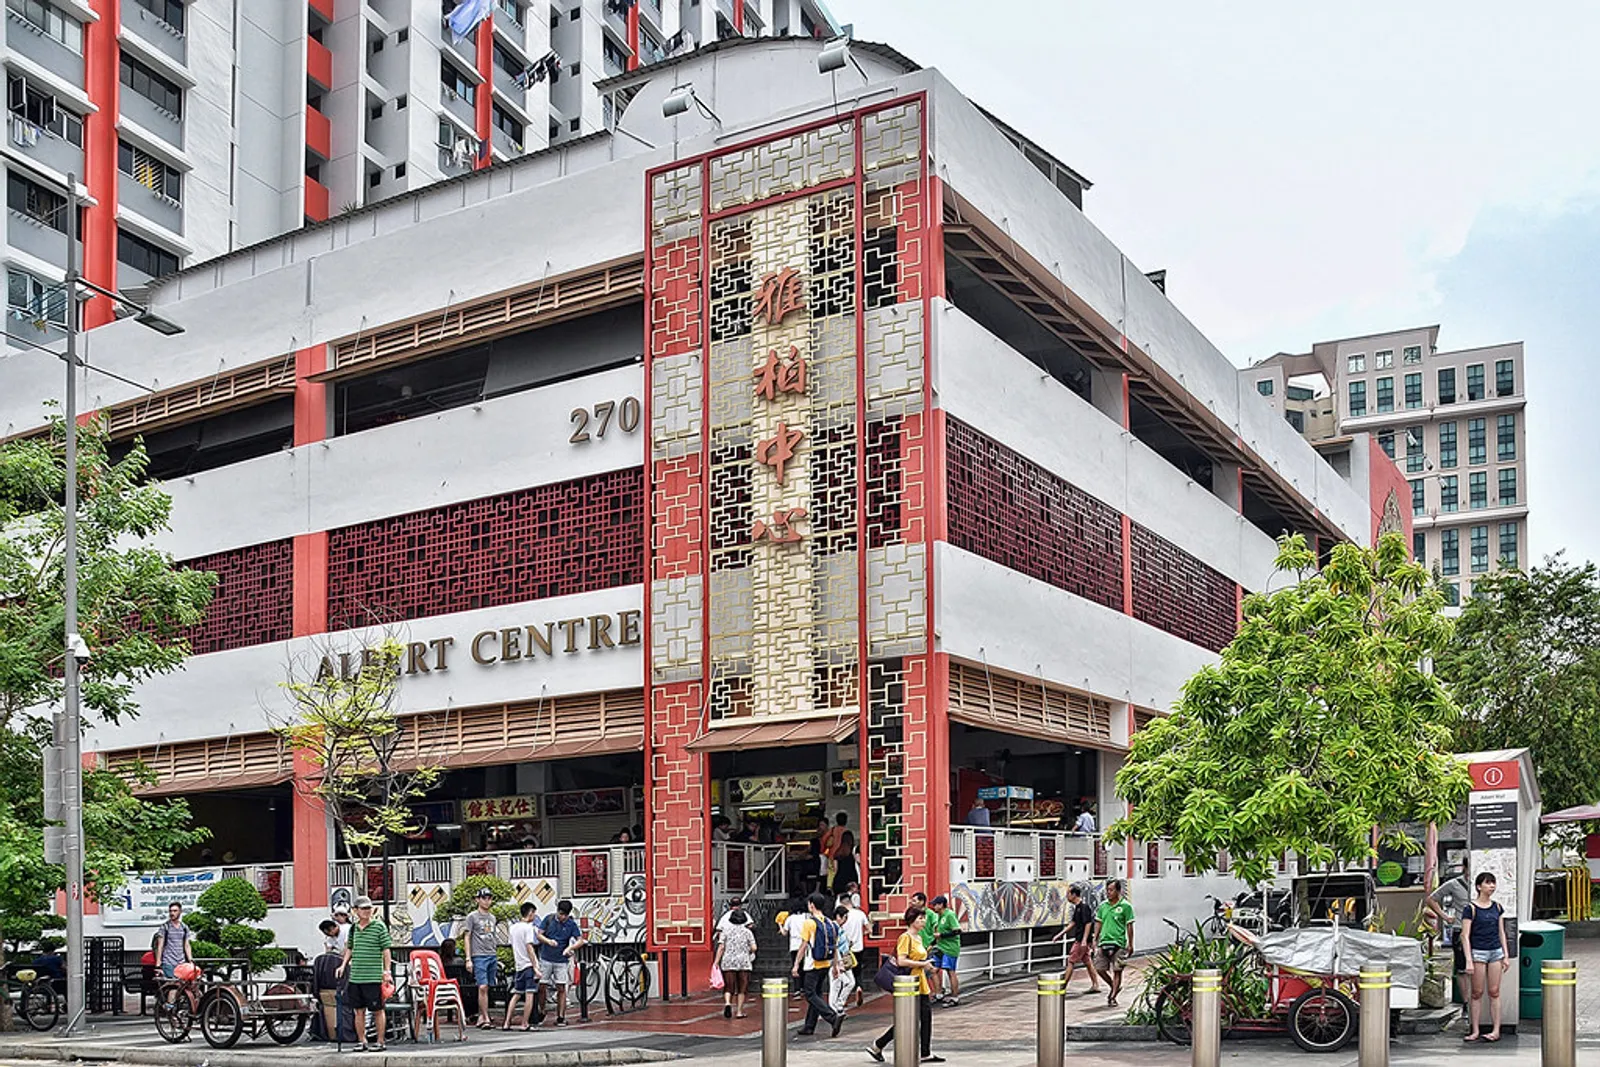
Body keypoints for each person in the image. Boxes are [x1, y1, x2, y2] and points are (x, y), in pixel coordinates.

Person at [866, 906, 940, 1063]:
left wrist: (927, 965)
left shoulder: (919, 938)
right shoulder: (905, 938)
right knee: (910, 1019)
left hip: (920, 983)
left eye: (923, 918)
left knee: (923, 1017)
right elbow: (902, 960)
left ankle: (924, 1051)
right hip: (909, 984)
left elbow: (917, 960)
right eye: (920, 918)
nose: (923, 921)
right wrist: (922, 964)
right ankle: (879, 1044)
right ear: (912, 920)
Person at [1460, 872, 1511, 1044]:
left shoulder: (1497, 907)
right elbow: (1464, 935)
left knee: (1494, 991)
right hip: (1478, 952)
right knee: (1476, 992)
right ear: (1478, 886)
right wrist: (1468, 959)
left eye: (1493, 883)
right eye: (1488, 883)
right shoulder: (1470, 908)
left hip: (1495, 951)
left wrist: (1506, 955)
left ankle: (1496, 1030)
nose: (1492, 886)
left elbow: (1501, 932)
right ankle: (1475, 1030)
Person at [338, 896, 392, 1052]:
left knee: (377, 1009)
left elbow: (386, 949)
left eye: (369, 908)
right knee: (358, 1011)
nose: (367, 911)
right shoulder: (353, 928)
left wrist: (386, 971)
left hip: (373, 976)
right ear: (356, 911)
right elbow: (350, 948)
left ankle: (380, 1041)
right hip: (356, 975)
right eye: (363, 908)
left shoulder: (379, 926)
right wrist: (343, 965)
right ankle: (362, 1041)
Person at [793, 891, 845, 1037]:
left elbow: (803, 945)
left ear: (812, 905)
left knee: (810, 994)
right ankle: (809, 1026)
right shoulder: (830, 923)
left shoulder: (809, 923)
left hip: (812, 964)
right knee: (817, 994)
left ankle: (832, 1017)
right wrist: (835, 965)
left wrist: (796, 964)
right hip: (826, 963)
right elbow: (834, 946)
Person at [1425, 858, 1473, 1004]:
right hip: (1460, 929)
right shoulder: (1455, 884)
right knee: (1462, 968)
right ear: (1464, 867)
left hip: (1478, 930)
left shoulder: (1481, 883)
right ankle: (1466, 1002)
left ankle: (1476, 1000)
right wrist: (1445, 917)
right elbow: (1431, 899)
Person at [536, 899, 585, 1026]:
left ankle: (561, 1016)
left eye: (565, 915)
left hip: (562, 961)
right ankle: (541, 1010)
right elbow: (539, 934)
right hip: (546, 958)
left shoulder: (571, 924)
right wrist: (548, 941)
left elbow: (580, 940)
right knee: (542, 986)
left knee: (561, 988)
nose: (562, 917)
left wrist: (570, 948)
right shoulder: (549, 919)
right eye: (560, 914)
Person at [456, 886, 500, 1028]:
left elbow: (493, 936)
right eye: (484, 898)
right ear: (477, 900)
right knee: (482, 986)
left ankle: (482, 1015)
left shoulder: (492, 917)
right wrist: (468, 958)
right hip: (479, 955)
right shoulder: (472, 917)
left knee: (488, 987)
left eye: (489, 898)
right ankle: (485, 1017)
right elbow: (467, 937)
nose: (487, 901)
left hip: (491, 953)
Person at [1090, 879, 1134, 1007]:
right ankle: (1113, 986)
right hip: (1104, 941)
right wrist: (1095, 938)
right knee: (1099, 968)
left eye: (1111, 890)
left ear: (1118, 891)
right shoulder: (1103, 906)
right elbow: (1098, 922)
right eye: (1107, 890)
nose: (1108, 893)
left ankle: (1113, 996)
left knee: (1117, 970)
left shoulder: (1126, 906)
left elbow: (1129, 926)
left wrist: (1130, 944)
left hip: (1119, 943)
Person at [1052, 885, 1101, 994]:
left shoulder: (1084, 908)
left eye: (1068, 894)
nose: (1067, 896)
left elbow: (1088, 923)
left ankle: (1062, 986)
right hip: (1082, 939)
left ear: (1074, 895)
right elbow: (1073, 923)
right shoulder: (1078, 908)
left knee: (1071, 961)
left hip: (1081, 940)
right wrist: (1060, 934)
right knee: (1087, 962)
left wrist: (1084, 940)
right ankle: (1095, 985)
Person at [503, 902, 540, 1031]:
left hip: (518, 965)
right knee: (529, 994)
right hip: (528, 965)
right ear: (530, 913)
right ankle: (524, 1023)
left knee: (516, 994)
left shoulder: (513, 928)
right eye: (534, 913)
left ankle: (507, 1022)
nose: (534, 916)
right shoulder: (528, 928)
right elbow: (529, 947)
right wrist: (536, 966)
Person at [714, 909, 757, 1019]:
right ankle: (739, 1011)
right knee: (742, 988)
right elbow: (754, 947)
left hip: (728, 961)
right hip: (743, 961)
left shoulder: (725, 931)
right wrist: (748, 951)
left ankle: (728, 1003)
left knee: (729, 986)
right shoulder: (747, 932)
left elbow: (721, 947)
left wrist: (716, 962)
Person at [925, 896, 962, 1006]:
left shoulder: (949, 915)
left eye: (935, 904)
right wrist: (932, 944)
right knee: (933, 970)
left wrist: (942, 935)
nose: (933, 907)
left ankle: (955, 997)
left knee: (950, 971)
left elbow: (957, 931)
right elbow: (937, 935)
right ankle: (938, 994)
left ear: (941, 905)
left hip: (950, 948)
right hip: (940, 947)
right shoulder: (939, 916)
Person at [837, 897, 869, 1009]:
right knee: (858, 970)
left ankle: (843, 998)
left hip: (845, 949)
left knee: (844, 973)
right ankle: (859, 986)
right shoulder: (860, 914)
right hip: (858, 947)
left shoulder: (842, 915)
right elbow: (869, 929)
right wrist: (861, 934)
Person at [155, 901, 194, 979]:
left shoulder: (184, 927)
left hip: (181, 962)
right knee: (172, 985)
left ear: (180, 912)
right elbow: (160, 946)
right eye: (170, 911)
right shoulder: (165, 927)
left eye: (175, 911)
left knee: (183, 986)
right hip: (168, 962)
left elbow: (186, 945)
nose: (172, 913)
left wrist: (190, 961)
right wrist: (158, 964)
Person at [831, 831, 860, 897]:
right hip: (851, 881)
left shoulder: (838, 853)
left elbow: (835, 870)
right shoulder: (853, 851)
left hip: (839, 881)